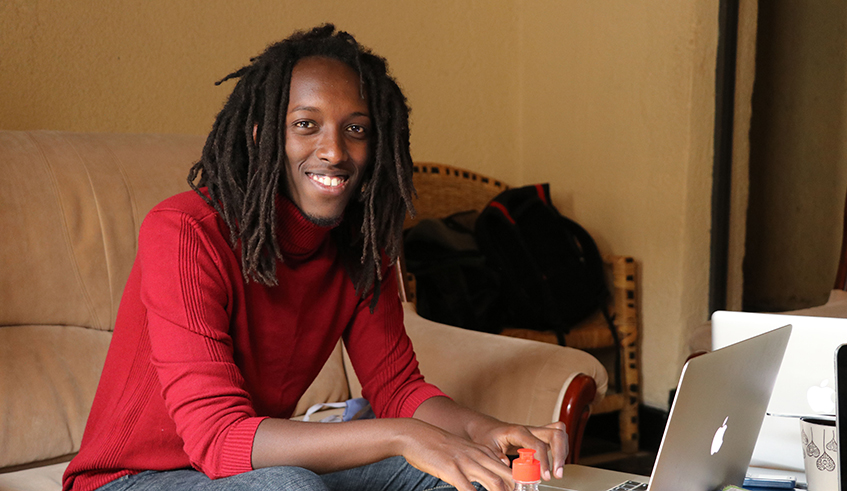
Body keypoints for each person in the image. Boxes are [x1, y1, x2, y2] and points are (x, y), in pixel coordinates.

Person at [62, 24, 567, 491]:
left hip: (254, 471)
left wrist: (488, 430)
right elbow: (217, 440)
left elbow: (397, 387)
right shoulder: (184, 231)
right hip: (131, 479)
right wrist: (403, 436)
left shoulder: (359, 244)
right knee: (292, 487)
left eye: (356, 129)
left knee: (467, 471)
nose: (334, 151)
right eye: (306, 124)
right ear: (263, 135)